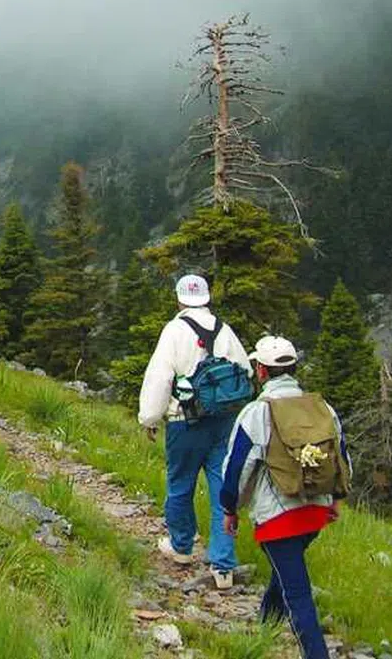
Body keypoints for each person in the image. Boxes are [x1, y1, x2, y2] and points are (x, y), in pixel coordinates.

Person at [220, 335, 351, 659]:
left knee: (298, 595)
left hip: (278, 519)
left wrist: (230, 508)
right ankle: (264, 630)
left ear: (261, 371)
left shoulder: (256, 413)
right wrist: (335, 498)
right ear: (293, 368)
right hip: (316, 513)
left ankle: (316, 654)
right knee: (286, 572)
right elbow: (342, 457)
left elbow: (236, 467)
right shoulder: (322, 408)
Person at [138, 273, 252, 589]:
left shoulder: (174, 331)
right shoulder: (224, 330)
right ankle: (223, 564)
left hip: (184, 422)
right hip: (223, 421)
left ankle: (182, 546)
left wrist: (149, 418)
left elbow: (160, 377)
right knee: (221, 488)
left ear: (179, 299)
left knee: (180, 483)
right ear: (206, 298)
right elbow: (244, 372)